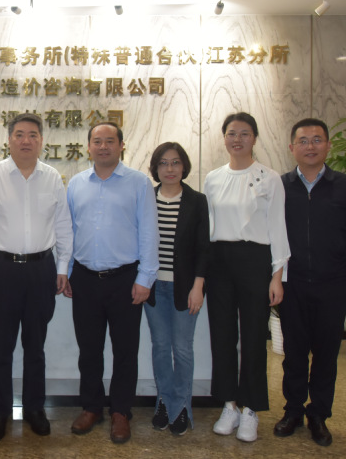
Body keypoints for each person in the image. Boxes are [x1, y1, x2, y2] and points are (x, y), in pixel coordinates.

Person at [0, 113, 73, 441]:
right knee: (1, 347)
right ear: (9, 139)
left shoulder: (52, 177)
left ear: (41, 140)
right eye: (19, 134)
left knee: (35, 347)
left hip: (41, 270)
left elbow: (63, 225)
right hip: (1, 269)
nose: (26, 140)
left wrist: (62, 267)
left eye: (32, 135)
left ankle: (34, 409)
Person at [273, 118, 346, 446]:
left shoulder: (345, 186)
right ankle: (293, 410)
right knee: (294, 352)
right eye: (303, 141)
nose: (310, 146)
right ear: (292, 148)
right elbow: (272, 237)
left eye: (317, 140)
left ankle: (319, 415)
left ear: (328, 145)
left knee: (327, 354)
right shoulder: (281, 186)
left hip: (333, 283)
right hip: (293, 284)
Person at [66, 122, 159, 444]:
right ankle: (91, 407)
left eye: (109, 141)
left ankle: (121, 411)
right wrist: (66, 271)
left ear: (121, 146)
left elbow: (149, 232)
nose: (103, 146)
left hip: (125, 280)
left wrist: (145, 278)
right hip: (84, 279)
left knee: (125, 350)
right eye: (97, 141)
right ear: (88, 146)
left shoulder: (138, 183)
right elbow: (69, 232)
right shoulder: (76, 183)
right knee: (89, 350)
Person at [204, 111, 290, 442]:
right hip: (219, 262)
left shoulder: (270, 178)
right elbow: (208, 226)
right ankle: (229, 405)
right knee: (222, 335)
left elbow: (277, 227)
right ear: (224, 138)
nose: (237, 139)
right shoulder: (213, 178)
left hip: (255, 260)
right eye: (231, 133)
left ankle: (251, 408)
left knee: (254, 337)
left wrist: (277, 275)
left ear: (254, 138)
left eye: (244, 133)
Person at [143, 142, 209, 437]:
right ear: (156, 168)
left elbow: (204, 247)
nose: (169, 169)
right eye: (163, 163)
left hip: (186, 288)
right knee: (160, 347)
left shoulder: (197, 201)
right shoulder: (147, 198)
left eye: (175, 162)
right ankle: (164, 402)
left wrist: (198, 286)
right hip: (154, 287)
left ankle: (181, 406)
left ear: (184, 166)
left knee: (182, 349)